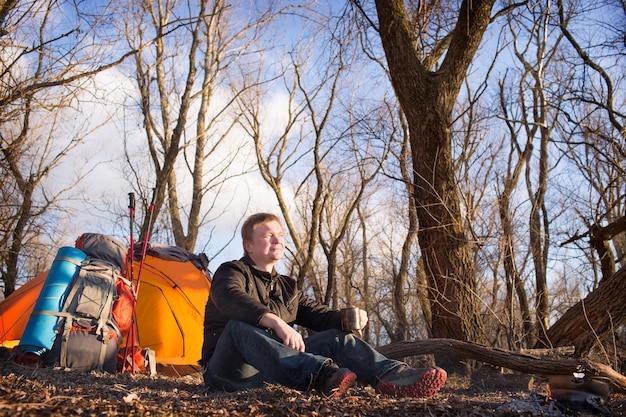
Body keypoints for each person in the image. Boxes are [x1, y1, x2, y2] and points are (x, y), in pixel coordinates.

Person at [200, 212, 447, 398]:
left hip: (272, 371)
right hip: (228, 372)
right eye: (268, 235)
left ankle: (394, 376)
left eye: (281, 235)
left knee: (336, 338)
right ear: (249, 246)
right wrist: (274, 321)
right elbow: (228, 296)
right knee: (237, 327)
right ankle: (321, 375)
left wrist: (347, 319)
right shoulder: (231, 271)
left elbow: (318, 315)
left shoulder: (287, 287)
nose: (277, 240)